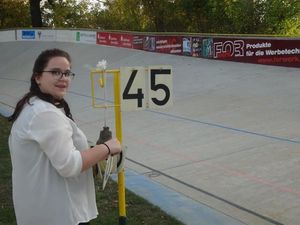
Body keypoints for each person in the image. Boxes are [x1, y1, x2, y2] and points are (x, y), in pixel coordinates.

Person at [8, 48, 122, 225]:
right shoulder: (44, 113)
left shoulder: (35, 107)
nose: (63, 78)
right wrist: (107, 148)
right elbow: (69, 165)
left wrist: (94, 153)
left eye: (67, 73)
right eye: (55, 72)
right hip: (60, 214)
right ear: (37, 77)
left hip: (46, 212)